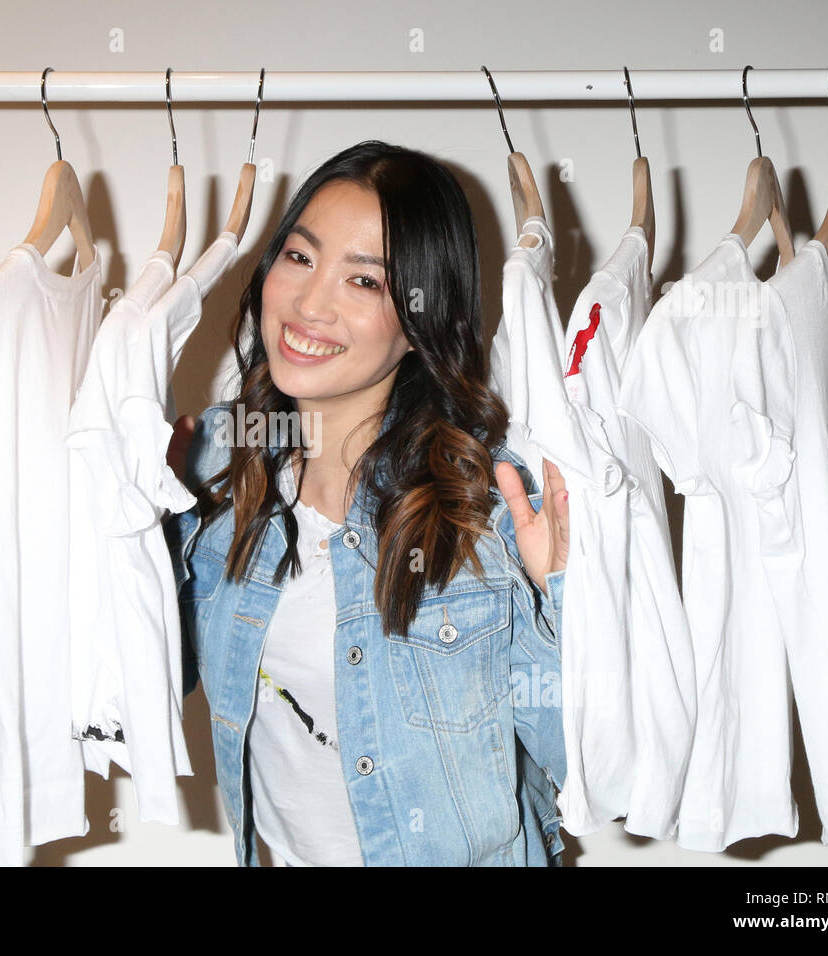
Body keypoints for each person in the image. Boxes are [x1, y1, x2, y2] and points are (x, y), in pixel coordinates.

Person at [164, 140, 569, 866]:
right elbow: (145, 683)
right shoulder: (222, 475)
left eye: (363, 282)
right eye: (299, 257)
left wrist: (562, 596)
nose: (311, 303)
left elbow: (592, 763)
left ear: (421, 322)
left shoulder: (483, 512)